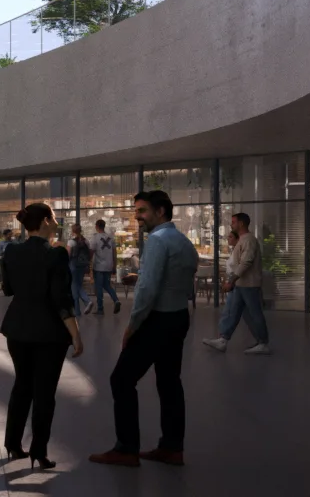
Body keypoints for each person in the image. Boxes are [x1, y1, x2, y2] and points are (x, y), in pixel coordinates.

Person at [91, 190, 197, 468]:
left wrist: (132, 325)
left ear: (160, 211)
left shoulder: (157, 240)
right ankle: (172, 448)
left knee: (121, 380)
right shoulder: (183, 241)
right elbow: (184, 277)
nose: (136, 217)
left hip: (157, 320)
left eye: (142, 211)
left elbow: (148, 291)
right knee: (169, 381)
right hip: (178, 317)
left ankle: (126, 448)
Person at [1, 203, 84, 469]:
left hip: (16, 328)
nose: (57, 221)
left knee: (22, 385)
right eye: (55, 217)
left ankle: (13, 443)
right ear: (46, 221)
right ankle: (39, 450)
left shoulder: (11, 252)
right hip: (49, 332)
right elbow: (61, 297)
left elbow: (8, 289)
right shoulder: (56, 255)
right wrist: (76, 334)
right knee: (44, 392)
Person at [205, 212, 271, 355]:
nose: (231, 224)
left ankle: (263, 342)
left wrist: (231, 280)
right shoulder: (242, 240)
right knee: (232, 312)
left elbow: (245, 263)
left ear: (241, 224)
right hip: (241, 285)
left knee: (254, 314)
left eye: (233, 222)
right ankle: (223, 340)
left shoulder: (249, 240)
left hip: (249, 285)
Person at [88, 218, 120, 315]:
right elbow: (115, 253)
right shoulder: (111, 238)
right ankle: (116, 300)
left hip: (98, 267)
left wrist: (88, 263)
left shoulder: (95, 238)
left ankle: (100, 309)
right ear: (104, 226)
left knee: (99, 287)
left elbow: (91, 252)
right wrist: (114, 265)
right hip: (109, 266)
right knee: (106, 285)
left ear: (97, 226)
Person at [67, 223, 91, 316]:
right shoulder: (86, 241)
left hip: (73, 266)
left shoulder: (71, 242)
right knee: (78, 285)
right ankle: (78, 310)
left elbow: (68, 255)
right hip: (82, 266)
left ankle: (86, 302)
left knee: (74, 287)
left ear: (73, 231)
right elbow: (89, 253)